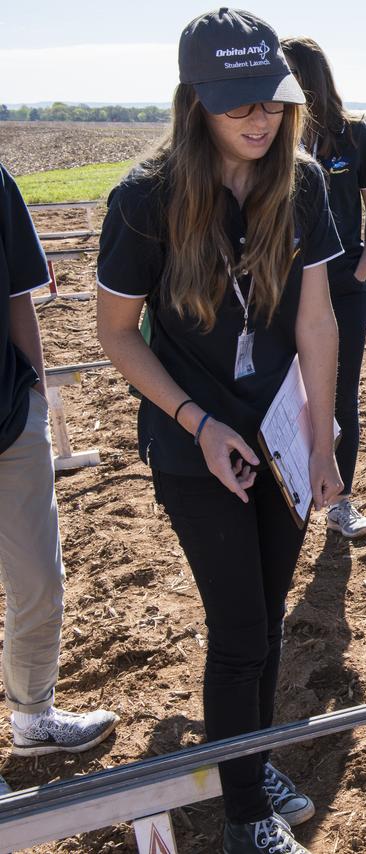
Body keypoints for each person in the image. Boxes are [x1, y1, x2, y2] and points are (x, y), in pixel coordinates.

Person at [96, 9, 343, 853]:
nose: (259, 119)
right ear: (194, 100)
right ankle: (246, 819)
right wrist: (196, 421)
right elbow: (116, 334)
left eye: (271, 100)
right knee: (238, 629)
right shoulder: (145, 198)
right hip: (193, 442)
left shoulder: (301, 183)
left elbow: (316, 319)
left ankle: (249, 758)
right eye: (238, 103)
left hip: (280, 436)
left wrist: (323, 440)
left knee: (267, 623)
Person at [0, 162, 118, 795]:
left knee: (40, 582)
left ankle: (33, 717)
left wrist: (37, 400)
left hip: (10, 418)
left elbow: (20, 294)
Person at [281, 36, 366, 540]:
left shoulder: (354, 136)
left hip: (343, 287)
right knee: (280, 393)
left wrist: (361, 269)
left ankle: (341, 502)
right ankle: (286, 497)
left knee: (341, 393)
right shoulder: (273, 137)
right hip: (282, 290)